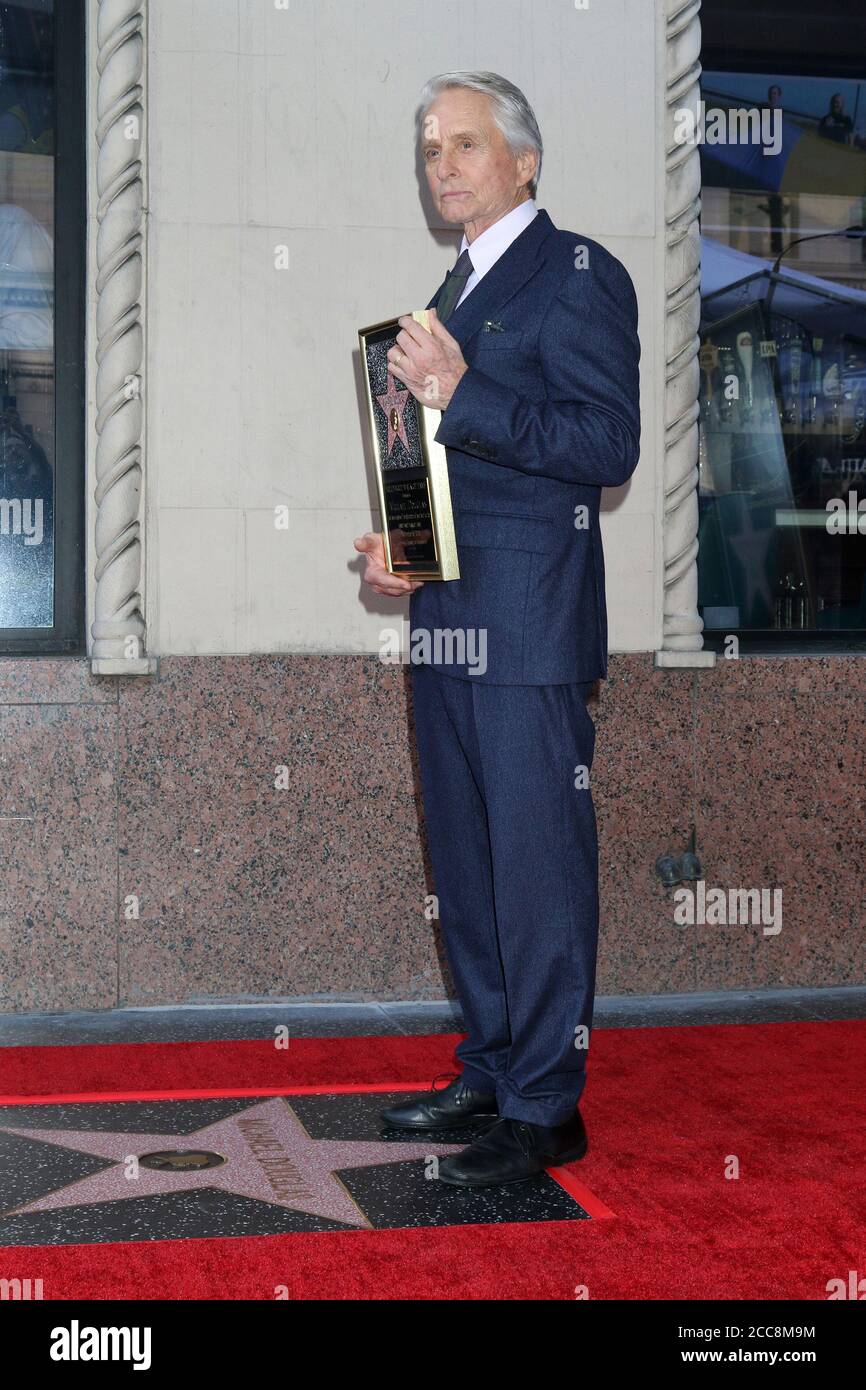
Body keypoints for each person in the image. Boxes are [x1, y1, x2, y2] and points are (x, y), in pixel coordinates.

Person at [354, 71, 641, 1187]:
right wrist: (401, 551)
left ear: (522, 160)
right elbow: (451, 463)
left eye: (464, 145)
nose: (442, 164)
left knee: (534, 868)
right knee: (468, 865)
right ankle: (487, 1066)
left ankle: (544, 1103)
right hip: (449, 620)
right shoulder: (455, 286)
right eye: (430, 148)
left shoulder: (576, 276)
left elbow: (604, 444)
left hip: (527, 625)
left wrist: (461, 389)